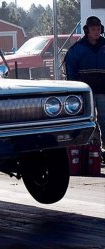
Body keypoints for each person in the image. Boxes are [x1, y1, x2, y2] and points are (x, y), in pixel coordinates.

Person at [65, 16, 105, 160]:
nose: (96, 32)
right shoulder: (77, 49)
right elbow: (70, 71)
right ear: (87, 30)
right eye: (93, 29)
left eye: (98, 29)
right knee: (89, 122)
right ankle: (92, 151)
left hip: (103, 91)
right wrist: (75, 91)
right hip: (85, 93)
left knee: (104, 120)